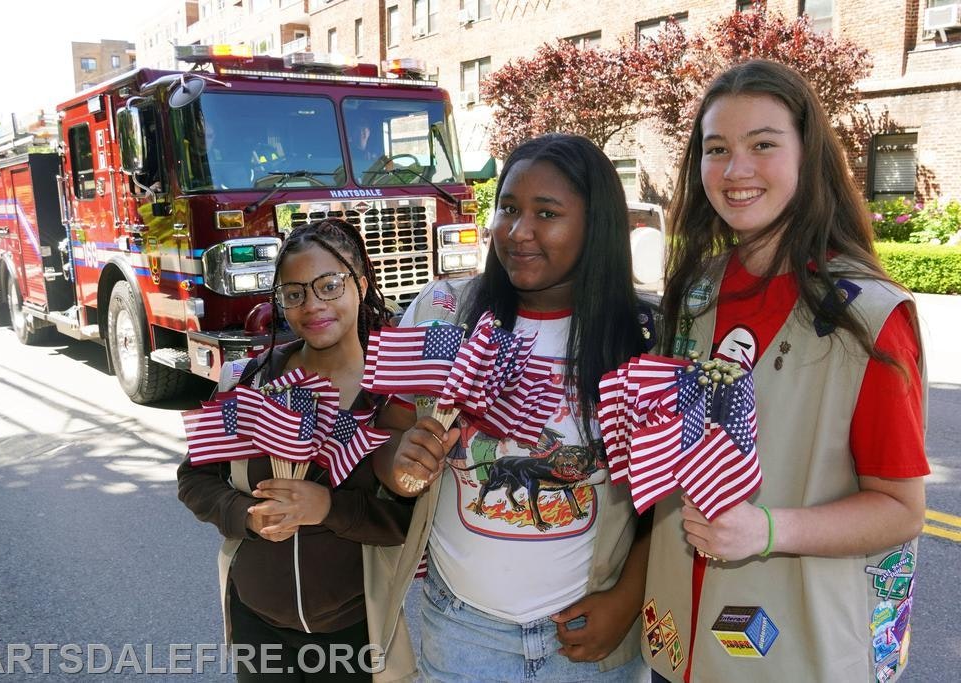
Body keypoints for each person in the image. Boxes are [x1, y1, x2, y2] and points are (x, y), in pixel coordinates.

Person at [647, 59, 928, 682]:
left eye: (763, 145)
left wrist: (765, 529)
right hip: (676, 643)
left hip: (792, 651)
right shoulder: (695, 294)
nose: (736, 169)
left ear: (808, 157)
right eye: (716, 148)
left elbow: (900, 510)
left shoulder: (870, 317)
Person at [371, 133, 654, 681]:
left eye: (546, 213)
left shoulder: (641, 337)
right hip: (461, 634)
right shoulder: (445, 313)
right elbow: (385, 442)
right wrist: (400, 463)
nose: (518, 232)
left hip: (588, 638)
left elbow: (671, 503)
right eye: (507, 208)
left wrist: (626, 598)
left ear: (596, 226)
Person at [177, 218, 414, 682]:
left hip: (352, 634)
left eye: (329, 285)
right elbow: (195, 479)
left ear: (361, 285)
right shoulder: (255, 382)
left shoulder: (390, 395)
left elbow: (405, 522)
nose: (313, 305)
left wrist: (328, 507)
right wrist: (244, 514)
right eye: (294, 293)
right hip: (257, 628)